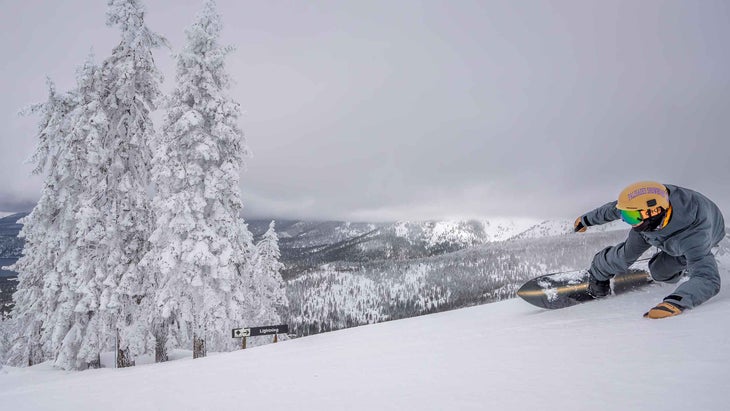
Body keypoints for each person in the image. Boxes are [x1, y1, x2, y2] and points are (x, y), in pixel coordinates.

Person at [573, 181, 725, 319]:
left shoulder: (695, 236)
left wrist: (676, 302)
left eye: (631, 217)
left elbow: (708, 279)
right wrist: (586, 220)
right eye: (627, 216)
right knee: (625, 255)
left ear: (654, 213)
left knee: (660, 272)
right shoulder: (648, 204)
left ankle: (683, 264)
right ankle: (598, 272)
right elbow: (614, 209)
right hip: (650, 231)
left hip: (684, 238)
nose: (626, 220)